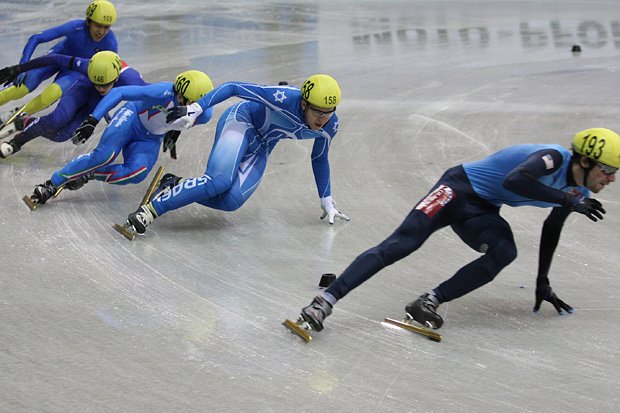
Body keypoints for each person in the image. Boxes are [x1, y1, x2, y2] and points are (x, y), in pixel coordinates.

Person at [298, 128, 618, 333]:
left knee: (505, 252)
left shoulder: (580, 195)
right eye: (608, 170)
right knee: (402, 243)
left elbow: (552, 227)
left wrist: (542, 280)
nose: (612, 179)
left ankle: (429, 301)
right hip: (456, 188)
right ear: (586, 161)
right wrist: (566, 199)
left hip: (482, 210)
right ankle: (324, 301)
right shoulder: (551, 158)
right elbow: (515, 180)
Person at [124, 74, 350, 234]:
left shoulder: (330, 126)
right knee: (219, 181)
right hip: (241, 121)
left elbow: (319, 157)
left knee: (230, 201)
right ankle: (150, 211)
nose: (322, 119)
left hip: (263, 145)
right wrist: (196, 109)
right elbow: (232, 87)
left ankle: (175, 184)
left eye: (328, 113)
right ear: (303, 104)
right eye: (317, 112)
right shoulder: (283, 97)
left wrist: (326, 199)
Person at [26, 70, 214, 203]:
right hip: (132, 118)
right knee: (104, 156)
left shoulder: (204, 114)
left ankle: (89, 173)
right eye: (194, 103)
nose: (196, 108)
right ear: (181, 95)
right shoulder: (163, 92)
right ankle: (51, 183)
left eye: (200, 104)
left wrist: (174, 132)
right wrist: (93, 120)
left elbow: (184, 118)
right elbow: (119, 92)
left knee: (137, 173)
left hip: (150, 138)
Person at [0, 50, 147, 158]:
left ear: (116, 79)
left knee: (62, 135)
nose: (100, 88)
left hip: (95, 103)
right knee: (57, 119)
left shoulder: (132, 81)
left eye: (105, 85)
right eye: (97, 83)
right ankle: (16, 143)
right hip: (82, 89)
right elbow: (54, 59)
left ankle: (26, 122)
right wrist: (19, 69)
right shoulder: (86, 65)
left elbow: (161, 94)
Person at [0, 0, 118, 118]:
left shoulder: (110, 43)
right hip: (54, 59)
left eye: (106, 27)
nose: (101, 31)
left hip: (74, 71)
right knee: (20, 88)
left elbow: (107, 77)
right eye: (97, 25)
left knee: (50, 95)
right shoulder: (76, 27)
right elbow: (35, 38)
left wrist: (103, 106)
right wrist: (23, 66)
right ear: (88, 22)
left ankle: (14, 117)